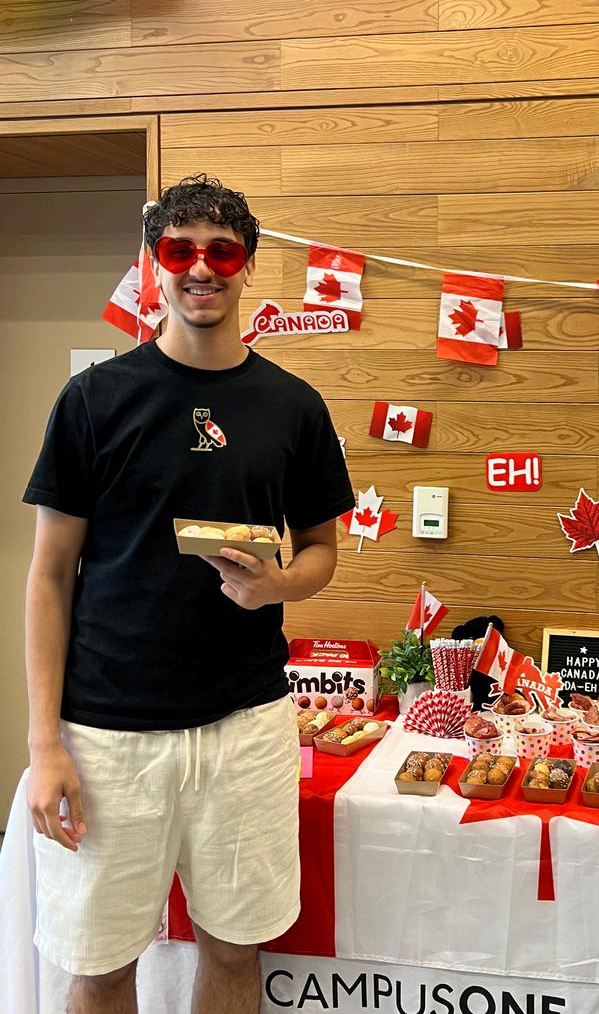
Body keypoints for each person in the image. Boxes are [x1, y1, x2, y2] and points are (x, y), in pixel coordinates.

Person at [23, 175, 354, 1014]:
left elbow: (322, 549)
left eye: (222, 253)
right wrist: (43, 742)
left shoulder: (294, 406)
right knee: (101, 967)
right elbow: (49, 575)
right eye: (180, 251)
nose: (201, 268)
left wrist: (280, 585)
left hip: (246, 726)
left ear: (249, 267)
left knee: (236, 953)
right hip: (108, 734)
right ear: (154, 265)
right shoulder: (95, 399)